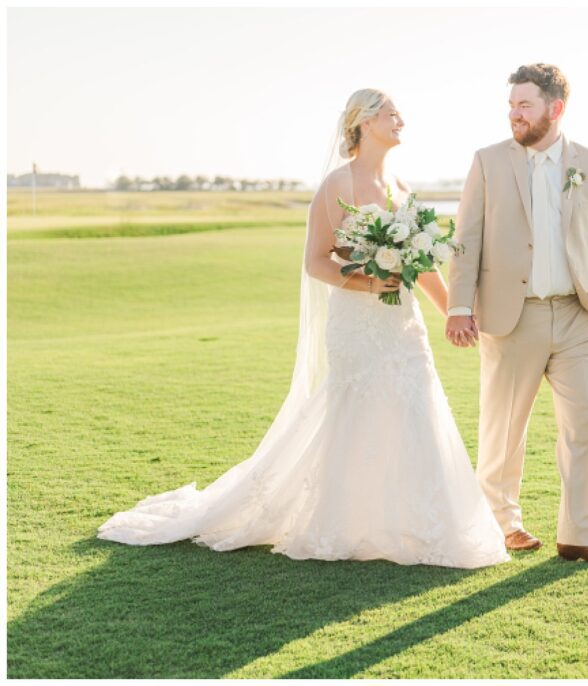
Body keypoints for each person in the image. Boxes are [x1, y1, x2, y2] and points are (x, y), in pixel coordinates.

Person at [96, 89, 510, 570]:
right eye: (392, 114)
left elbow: (422, 267)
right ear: (363, 122)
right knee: (356, 412)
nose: (402, 120)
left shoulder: (400, 184)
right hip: (358, 321)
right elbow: (316, 262)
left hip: (402, 321)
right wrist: (368, 281)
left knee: (415, 407)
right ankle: (343, 521)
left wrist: (454, 313)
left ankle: (417, 524)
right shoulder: (338, 184)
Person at [445, 64, 588, 565]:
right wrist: (460, 306)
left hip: (578, 318)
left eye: (524, 105)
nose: (514, 114)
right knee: (504, 430)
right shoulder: (488, 161)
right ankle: (503, 524)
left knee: (586, 421)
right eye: (511, 105)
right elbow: (465, 241)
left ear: (556, 108)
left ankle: (578, 535)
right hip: (511, 317)